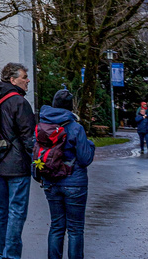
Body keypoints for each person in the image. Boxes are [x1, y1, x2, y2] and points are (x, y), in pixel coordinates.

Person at [0, 62, 35, 259]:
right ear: (13, 80)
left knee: (1, 211)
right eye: (24, 77)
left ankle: (1, 251)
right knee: (16, 212)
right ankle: (12, 255)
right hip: (17, 166)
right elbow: (29, 139)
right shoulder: (20, 103)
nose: (27, 80)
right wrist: (40, 164)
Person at [37, 88, 95, 259]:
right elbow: (85, 159)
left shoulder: (42, 126)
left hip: (50, 182)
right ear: (70, 107)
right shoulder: (76, 128)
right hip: (74, 183)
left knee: (56, 226)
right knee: (75, 229)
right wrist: (90, 145)